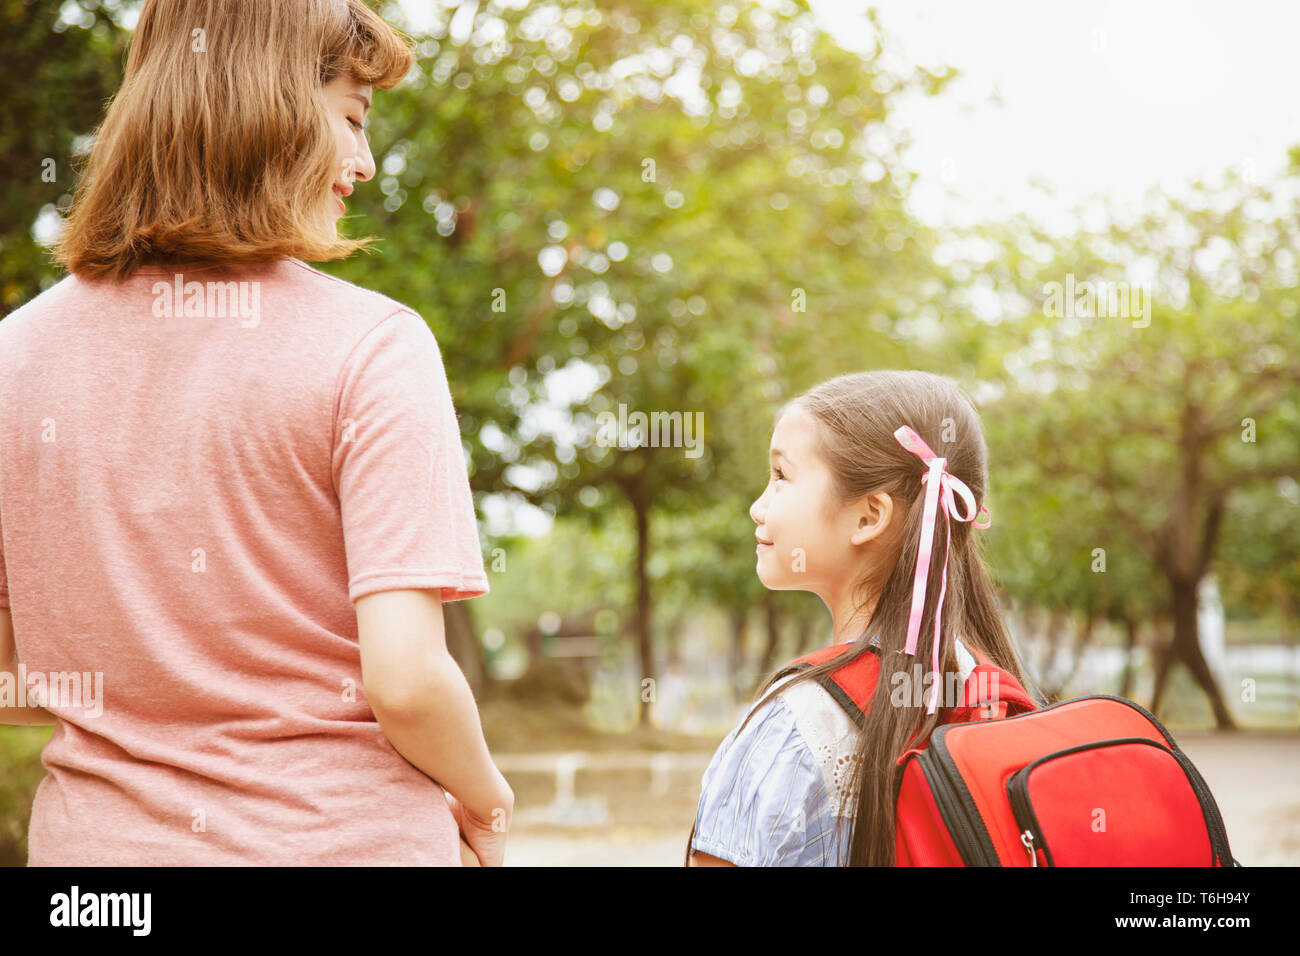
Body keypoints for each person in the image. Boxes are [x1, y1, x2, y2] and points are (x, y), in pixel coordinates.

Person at [0, 0, 512, 866]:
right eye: (352, 118)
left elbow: (16, 675)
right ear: (267, 105)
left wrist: (148, 683)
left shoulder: (14, 356)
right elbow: (408, 681)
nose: (364, 161)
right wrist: (488, 802)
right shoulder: (373, 347)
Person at [686, 369, 1040, 866]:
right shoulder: (989, 694)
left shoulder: (795, 727)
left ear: (870, 516)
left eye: (781, 476)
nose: (757, 507)